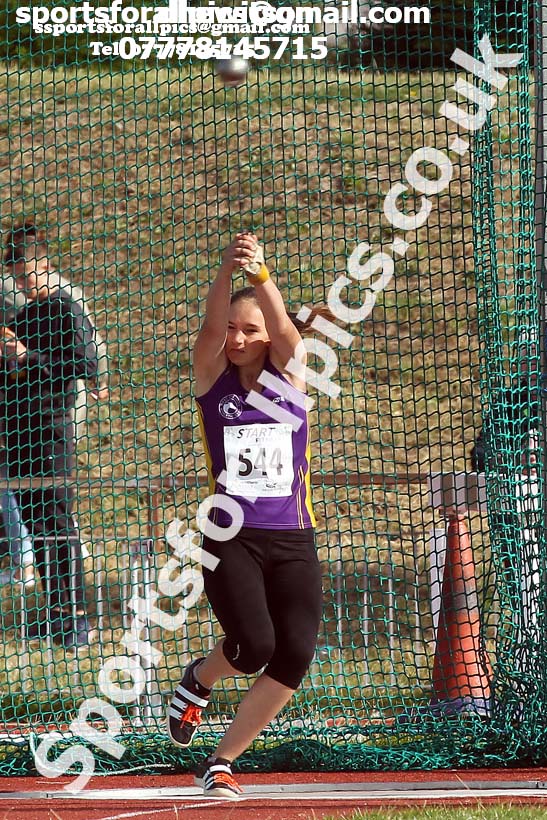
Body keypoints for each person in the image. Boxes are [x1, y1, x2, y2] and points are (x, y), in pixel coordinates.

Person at [166, 233, 323, 798]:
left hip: (292, 537)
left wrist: (261, 276)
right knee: (253, 645)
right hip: (229, 536)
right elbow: (210, 330)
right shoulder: (213, 380)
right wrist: (226, 274)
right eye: (233, 328)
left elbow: (285, 331)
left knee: (296, 652)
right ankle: (201, 678)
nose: (237, 339)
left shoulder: (293, 377)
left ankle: (222, 760)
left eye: (249, 331)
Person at [1, 223, 100, 648]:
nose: (25, 284)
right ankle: (54, 612)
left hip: (51, 430)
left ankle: (76, 617)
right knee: (35, 524)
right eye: (18, 278)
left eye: (30, 275)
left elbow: (82, 364)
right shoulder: (19, 316)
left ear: (46, 266)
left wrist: (29, 356)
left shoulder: (64, 308)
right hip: (18, 433)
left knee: (57, 521)